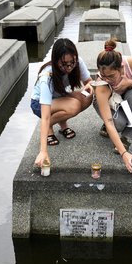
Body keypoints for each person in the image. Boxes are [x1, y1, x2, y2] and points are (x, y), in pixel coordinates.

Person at [31, 38, 94, 168]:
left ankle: (62, 124)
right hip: (39, 104)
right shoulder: (46, 77)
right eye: (64, 64)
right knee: (73, 106)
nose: (69, 67)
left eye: (72, 62)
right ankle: (49, 129)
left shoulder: (77, 62)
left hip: (60, 97)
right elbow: (46, 115)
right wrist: (43, 152)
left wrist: (90, 86)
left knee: (87, 97)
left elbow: (89, 81)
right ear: (55, 60)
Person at [93, 38, 132, 173]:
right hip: (109, 102)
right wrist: (124, 154)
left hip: (127, 98)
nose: (107, 79)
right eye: (103, 75)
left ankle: (126, 136)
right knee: (116, 124)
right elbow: (109, 121)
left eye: (111, 76)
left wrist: (131, 83)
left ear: (121, 68)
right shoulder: (102, 85)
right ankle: (114, 126)